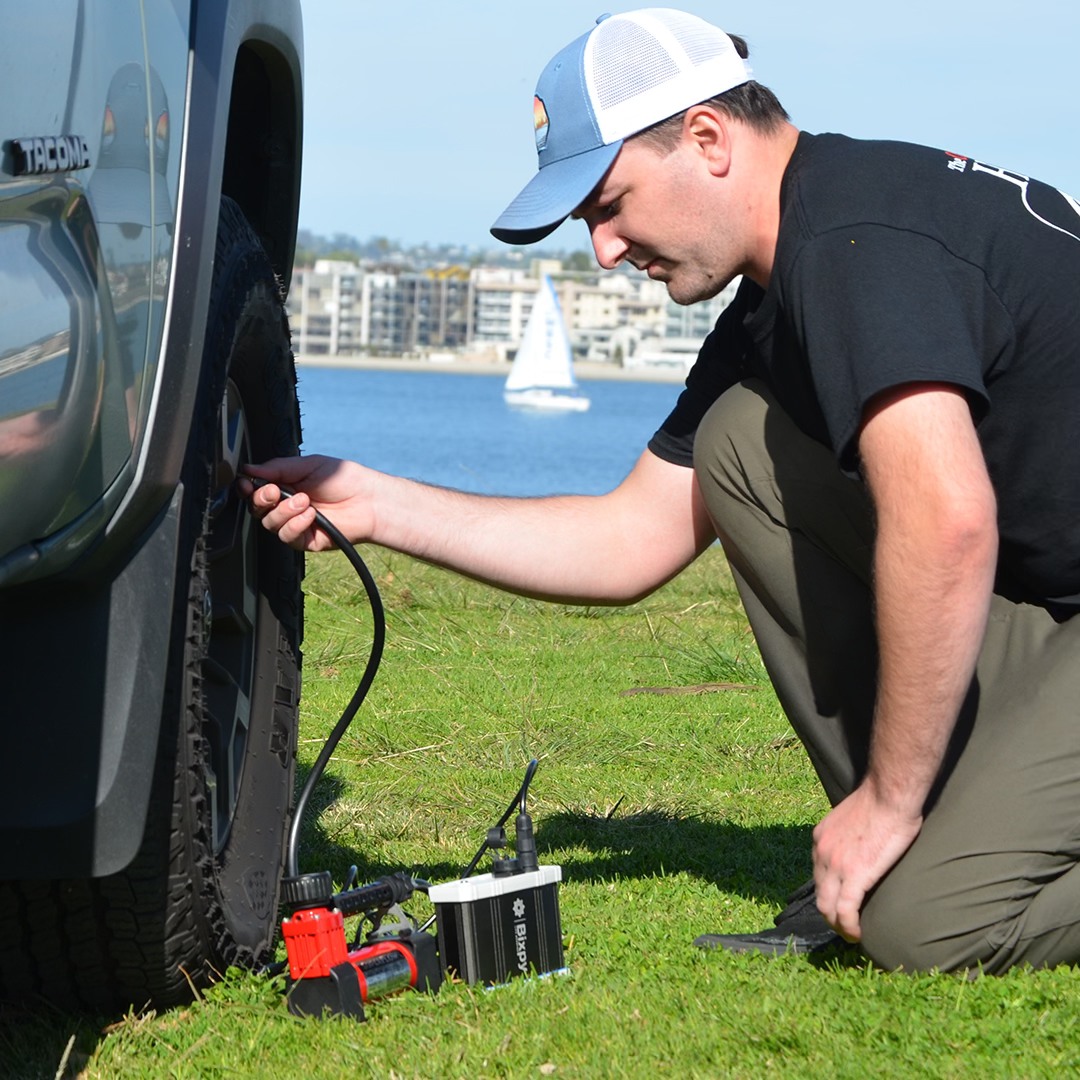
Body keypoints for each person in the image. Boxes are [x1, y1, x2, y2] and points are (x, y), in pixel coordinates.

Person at [246, 8, 1080, 974]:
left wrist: (889, 802)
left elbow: (947, 522)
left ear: (708, 140)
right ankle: (929, 827)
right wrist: (378, 504)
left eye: (607, 204)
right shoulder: (781, 294)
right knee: (739, 446)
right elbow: (629, 540)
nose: (602, 249)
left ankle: (911, 830)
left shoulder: (857, 240)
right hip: (1049, 618)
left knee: (925, 927)